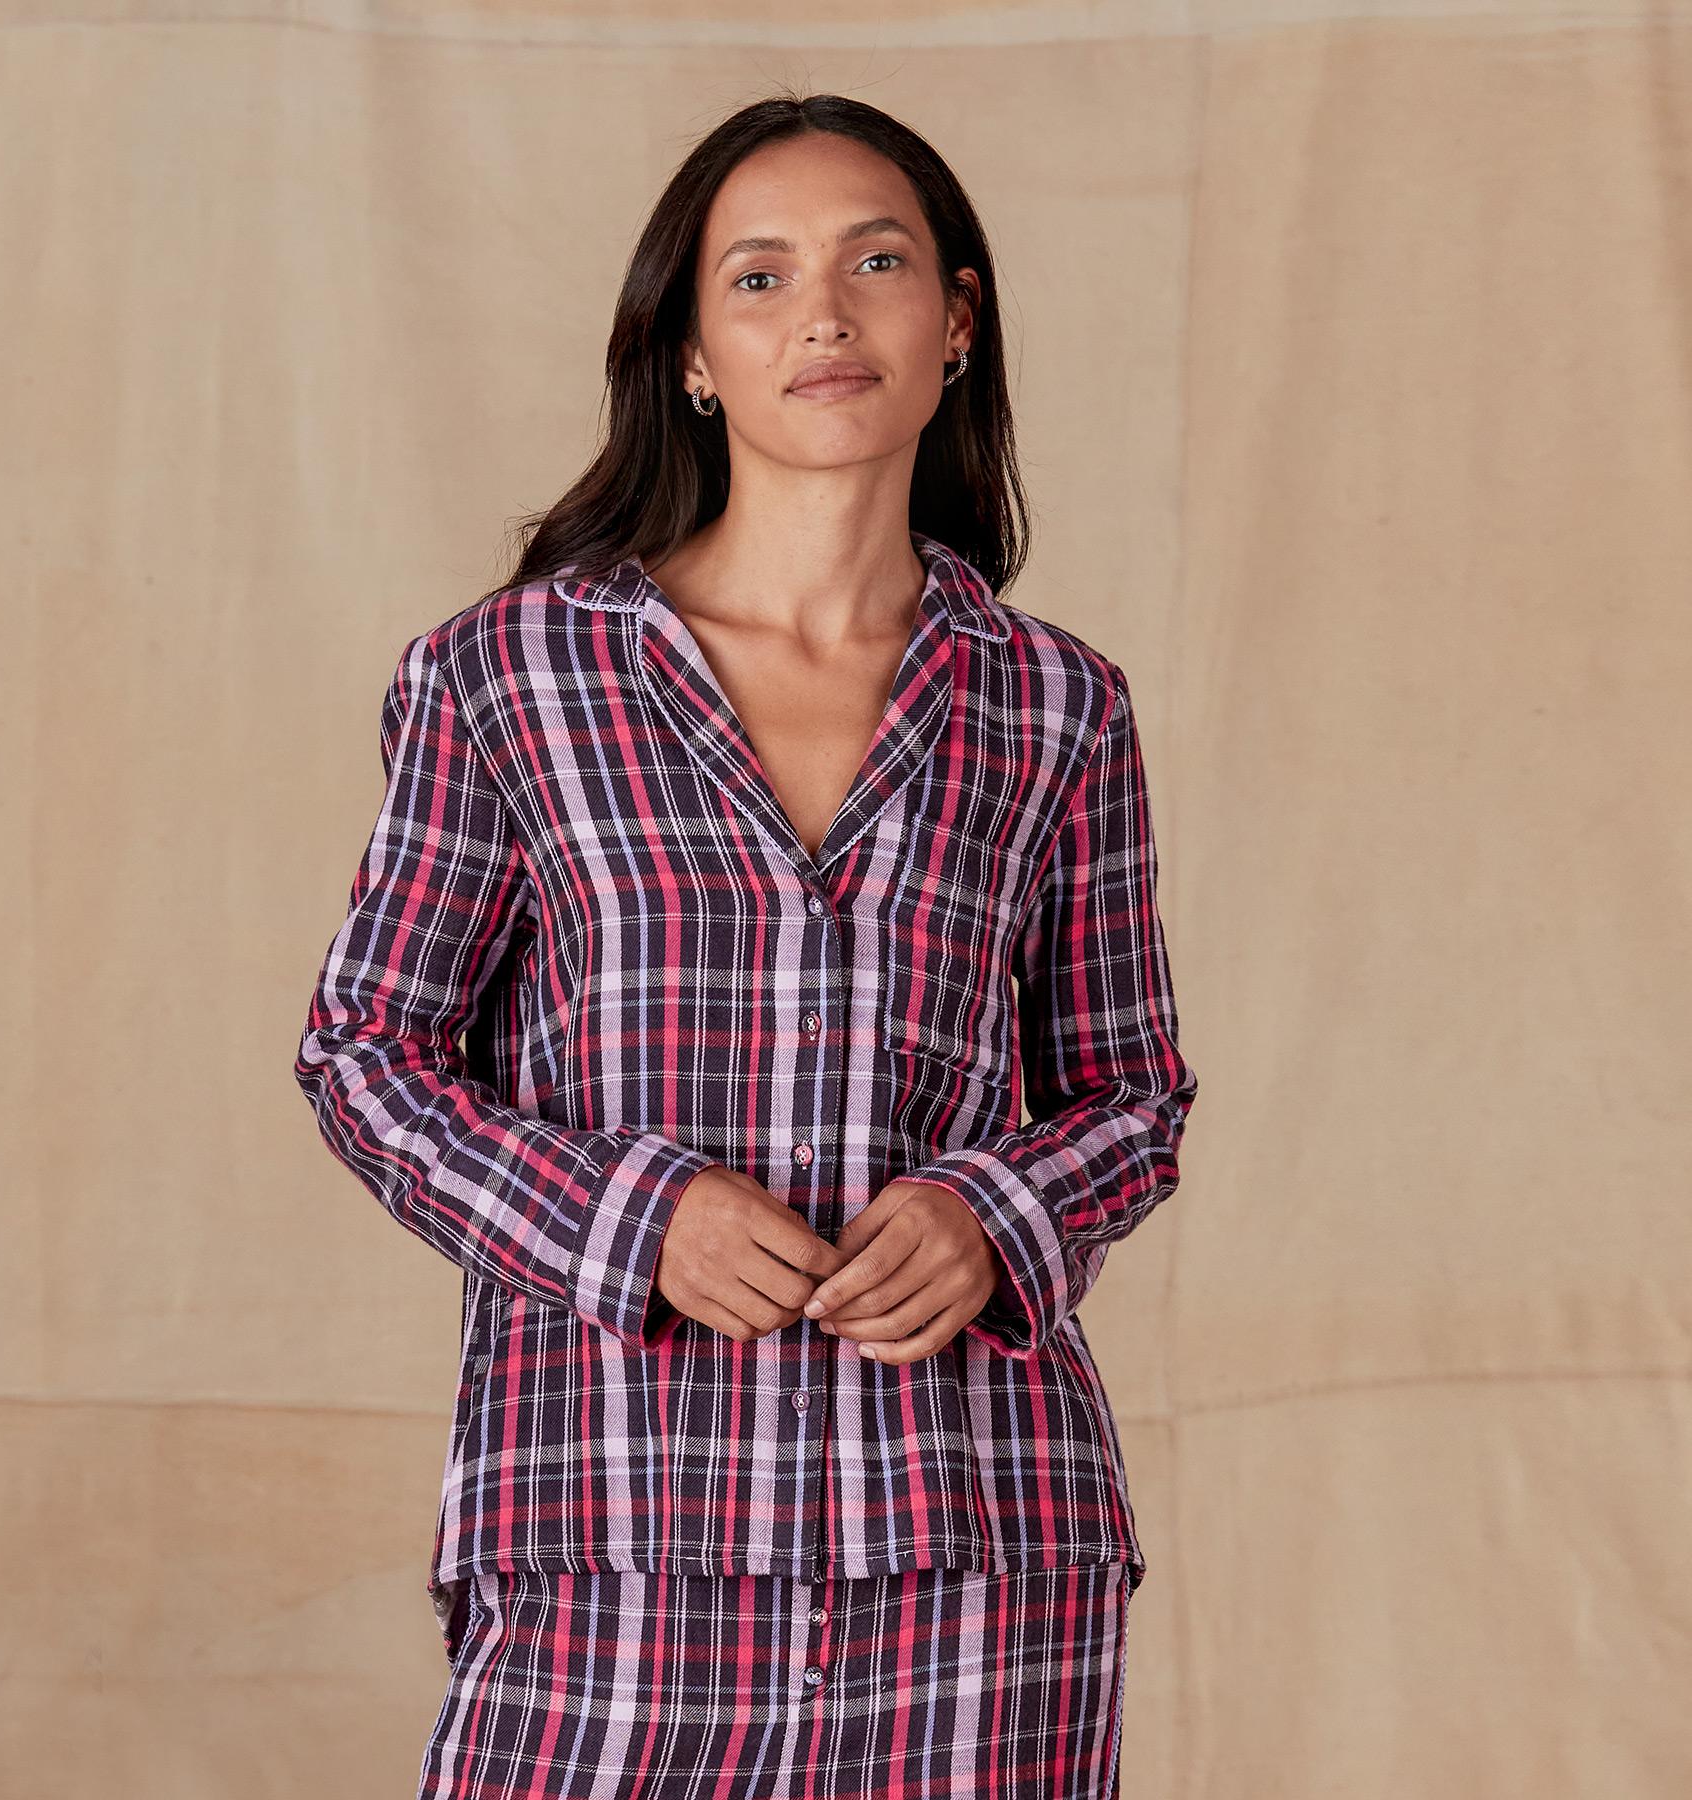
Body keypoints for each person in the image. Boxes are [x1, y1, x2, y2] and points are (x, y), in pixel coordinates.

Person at [293, 89, 1198, 1800]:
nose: (826, 317)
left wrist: (992, 1215)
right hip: (616, 1539)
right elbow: (367, 1057)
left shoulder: (1057, 706)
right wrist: (636, 1219)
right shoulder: (510, 678)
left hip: (977, 1560)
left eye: (877, 264)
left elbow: (1132, 1093)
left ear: (956, 321)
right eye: (762, 278)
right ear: (694, 355)